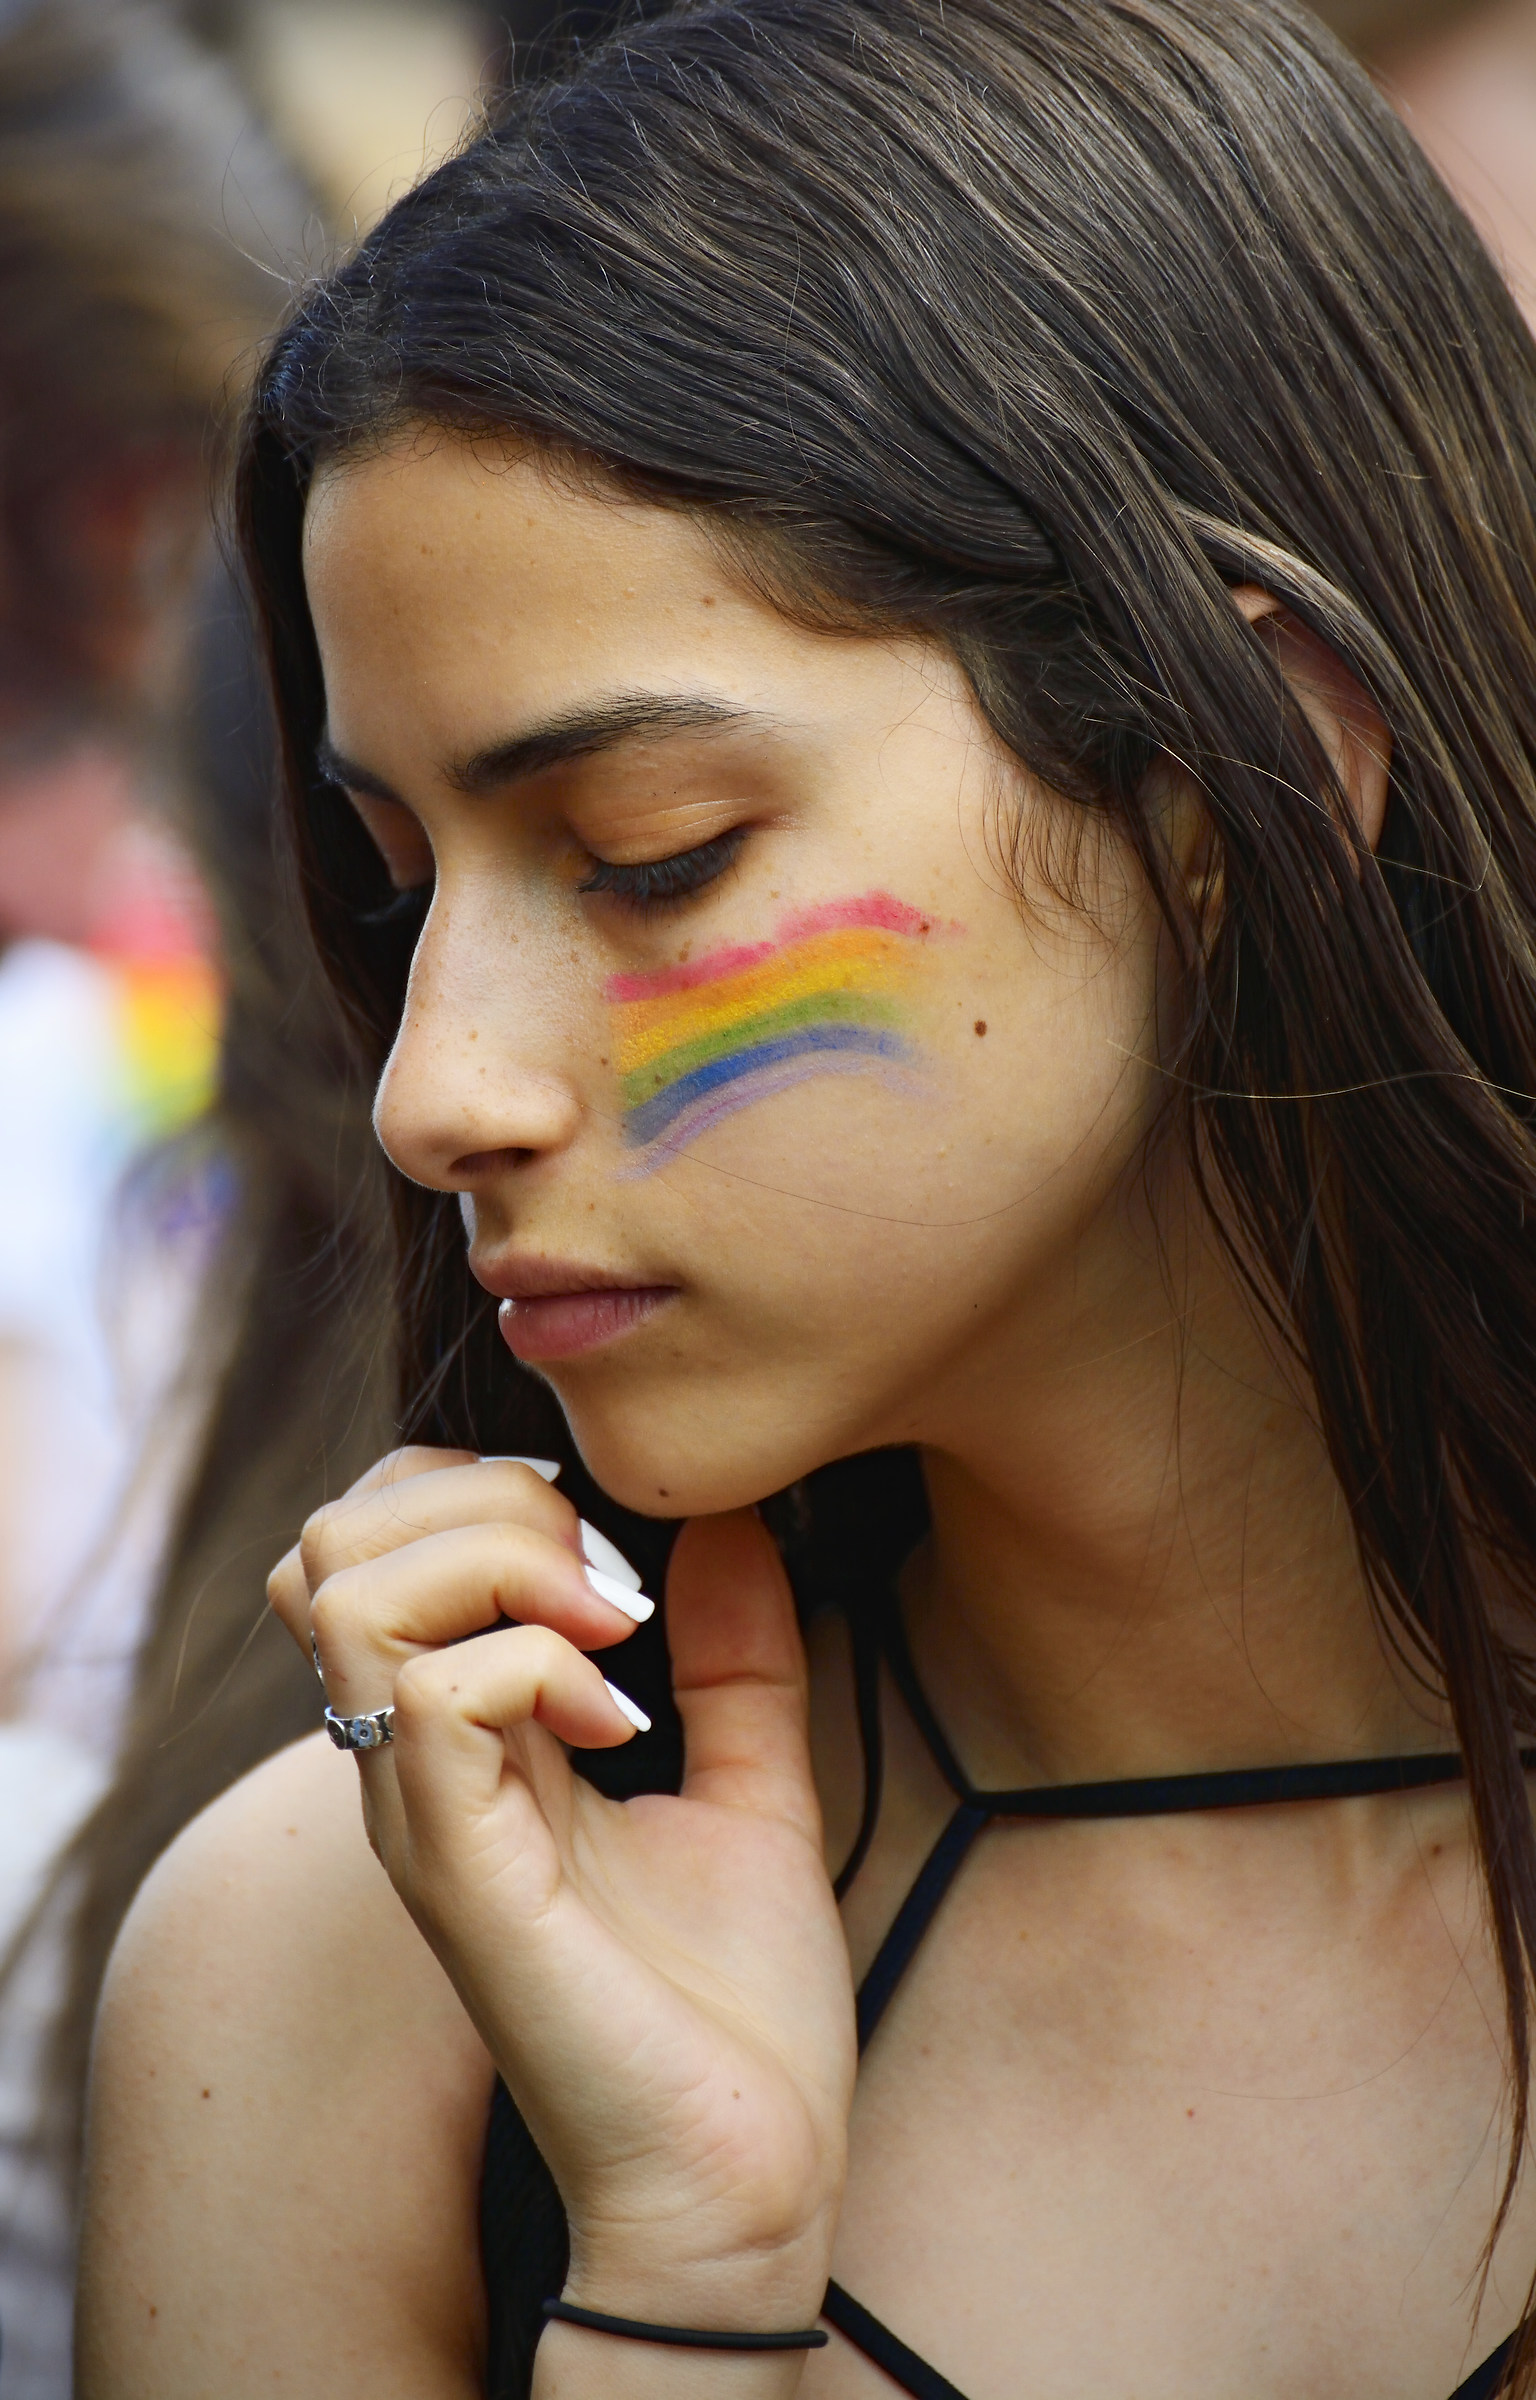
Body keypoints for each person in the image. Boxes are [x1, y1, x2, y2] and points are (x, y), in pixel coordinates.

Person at [75, 0, 1536, 2394]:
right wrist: (676, 2279)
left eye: (651, 859)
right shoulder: (355, 1979)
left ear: (1239, 768)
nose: (435, 1089)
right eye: (390, 877)